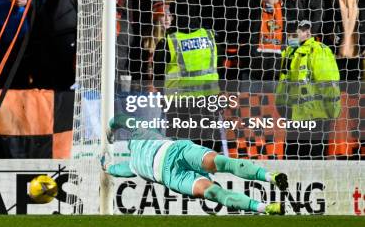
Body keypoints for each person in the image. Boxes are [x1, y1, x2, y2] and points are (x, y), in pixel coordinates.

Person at [103, 123, 287, 215]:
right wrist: (111, 130)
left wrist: (105, 160)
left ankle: (265, 205)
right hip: (174, 164)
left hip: (172, 166)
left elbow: (113, 169)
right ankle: (270, 180)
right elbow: (118, 120)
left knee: (215, 190)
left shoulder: (133, 161)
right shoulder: (134, 155)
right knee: (221, 168)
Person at [277, 20, 341, 121]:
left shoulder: (318, 50)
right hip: (292, 113)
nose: (291, 37)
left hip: (316, 115)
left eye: (295, 33)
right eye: (289, 34)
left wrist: (333, 111)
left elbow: (329, 83)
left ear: (308, 33)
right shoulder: (289, 51)